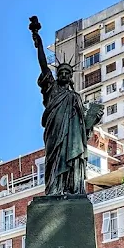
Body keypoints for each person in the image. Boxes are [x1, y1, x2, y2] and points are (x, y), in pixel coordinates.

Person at [29, 16, 103, 195]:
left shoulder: (75, 97)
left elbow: (82, 125)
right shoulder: (52, 88)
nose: (63, 74)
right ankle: (54, 190)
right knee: (54, 161)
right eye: (60, 72)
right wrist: (38, 40)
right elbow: (43, 65)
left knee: (73, 160)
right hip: (55, 134)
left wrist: (93, 118)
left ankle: (72, 188)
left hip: (73, 139)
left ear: (70, 76)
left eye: (66, 72)